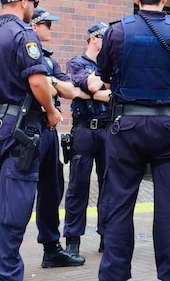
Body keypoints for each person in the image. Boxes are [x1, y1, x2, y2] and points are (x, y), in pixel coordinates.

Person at [96, 0, 170, 281]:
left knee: (119, 203)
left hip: (125, 126)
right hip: (168, 126)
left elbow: (104, 73)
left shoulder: (116, 32)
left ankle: (114, 274)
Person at [0, 0, 62, 281]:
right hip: (19, 130)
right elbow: (37, 82)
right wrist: (51, 111)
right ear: (24, 2)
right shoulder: (23, 34)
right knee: (14, 206)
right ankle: (6, 274)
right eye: (33, 3)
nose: (33, 9)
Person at [28, 7, 87, 268]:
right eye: (47, 25)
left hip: (50, 130)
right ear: (35, 26)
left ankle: (51, 248)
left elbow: (71, 90)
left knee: (52, 191)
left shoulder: (49, 59)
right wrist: (52, 85)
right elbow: (35, 86)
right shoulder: (25, 52)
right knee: (22, 191)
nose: (50, 29)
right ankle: (5, 252)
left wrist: (49, 80)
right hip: (30, 130)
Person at [63, 21, 113, 257]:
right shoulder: (76, 63)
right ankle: (72, 241)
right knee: (77, 187)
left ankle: (107, 237)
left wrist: (88, 92)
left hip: (108, 130)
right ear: (94, 38)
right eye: (105, 38)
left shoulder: (112, 64)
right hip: (83, 130)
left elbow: (114, 96)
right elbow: (88, 86)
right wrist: (92, 89)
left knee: (109, 186)